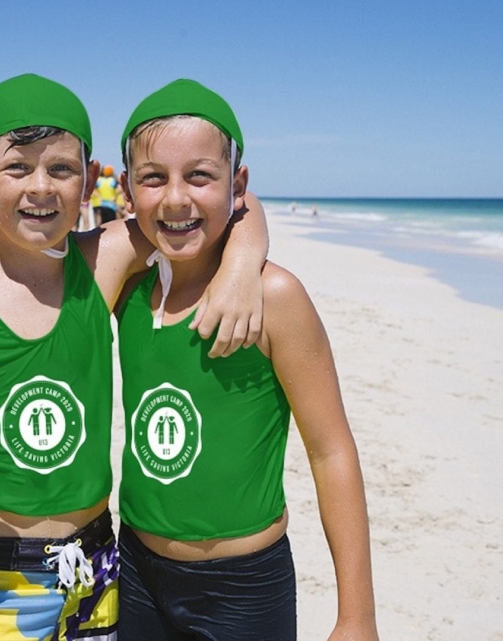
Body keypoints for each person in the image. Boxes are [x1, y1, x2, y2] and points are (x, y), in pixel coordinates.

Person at [0, 73, 268, 640]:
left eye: (61, 169)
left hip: (98, 571)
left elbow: (231, 204)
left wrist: (241, 264)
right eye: (17, 167)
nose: (40, 187)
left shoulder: (101, 263)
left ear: (88, 184)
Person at [113, 79, 379, 640]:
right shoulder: (126, 289)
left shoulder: (275, 297)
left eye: (200, 176)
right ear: (126, 190)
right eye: (153, 178)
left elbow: (332, 452)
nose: (177, 198)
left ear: (238, 185)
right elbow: (28, 273)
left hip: (243, 588)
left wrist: (357, 618)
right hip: (135, 568)